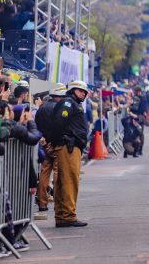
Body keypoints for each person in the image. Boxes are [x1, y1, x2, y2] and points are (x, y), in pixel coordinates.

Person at [52, 80, 89, 227]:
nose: (83, 93)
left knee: (63, 181)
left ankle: (62, 215)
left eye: (84, 92)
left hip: (70, 146)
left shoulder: (73, 103)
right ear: (73, 90)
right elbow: (59, 122)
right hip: (69, 147)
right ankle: (69, 215)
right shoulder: (68, 103)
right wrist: (63, 138)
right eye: (80, 91)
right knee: (70, 181)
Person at [35, 83, 66, 211]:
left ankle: (42, 202)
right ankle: (58, 202)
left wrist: (45, 142)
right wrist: (53, 144)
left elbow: (37, 126)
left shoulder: (41, 109)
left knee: (44, 173)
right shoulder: (59, 108)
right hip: (56, 144)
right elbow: (60, 127)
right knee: (58, 172)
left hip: (44, 144)